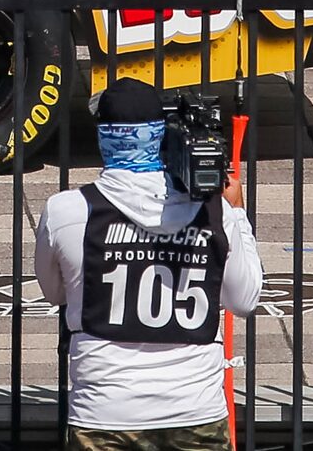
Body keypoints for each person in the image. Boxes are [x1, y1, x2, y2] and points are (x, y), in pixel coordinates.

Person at [34, 78, 263, 451]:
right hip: (194, 408)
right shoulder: (212, 211)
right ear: (160, 136)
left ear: (104, 137)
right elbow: (245, 298)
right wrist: (235, 212)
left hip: (104, 411)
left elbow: (54, 290)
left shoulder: (67, 211)